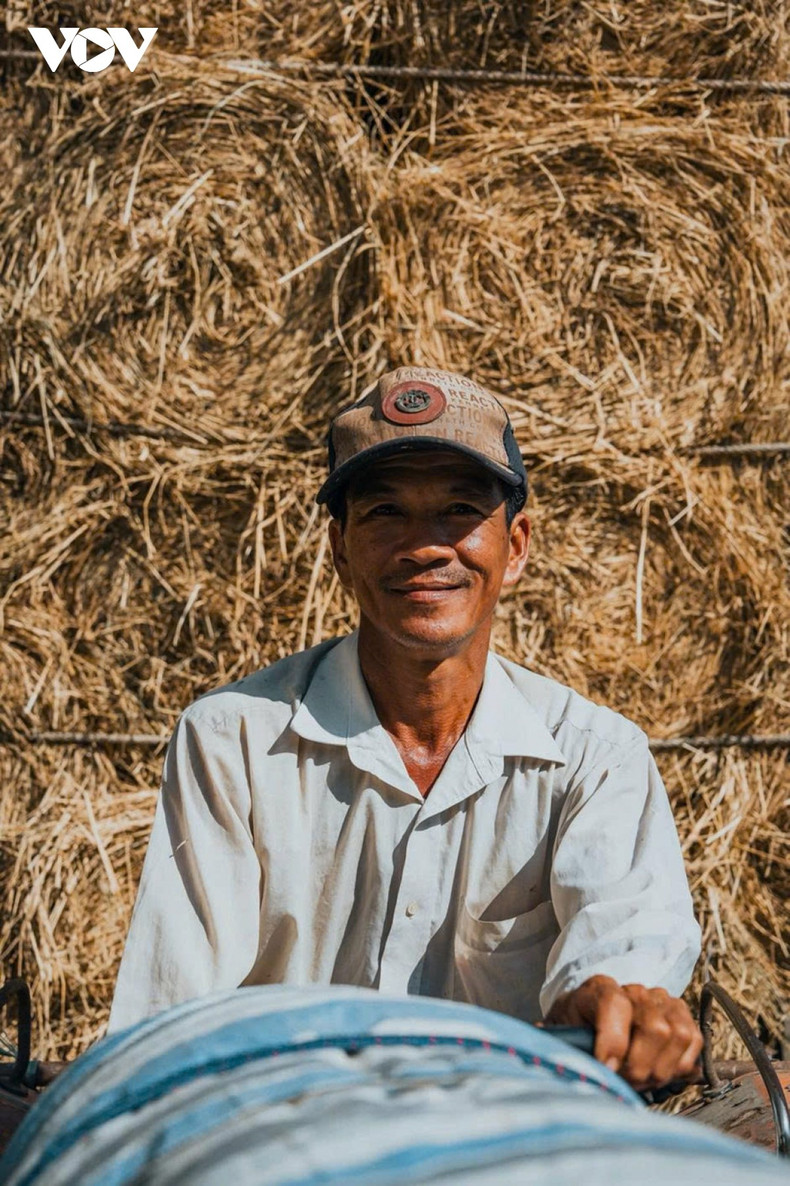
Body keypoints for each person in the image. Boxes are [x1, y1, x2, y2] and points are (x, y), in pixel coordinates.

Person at [108, 365, 703, 1090]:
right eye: (386, 513)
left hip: (510, 1144)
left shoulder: (595, 759)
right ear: (339, 548)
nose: (425, 546)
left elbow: (615, 956)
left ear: (514, 548)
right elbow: (173, 1012)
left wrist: (617, 1002)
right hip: (283, 1137)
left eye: (459, 510)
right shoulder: (232, 742)